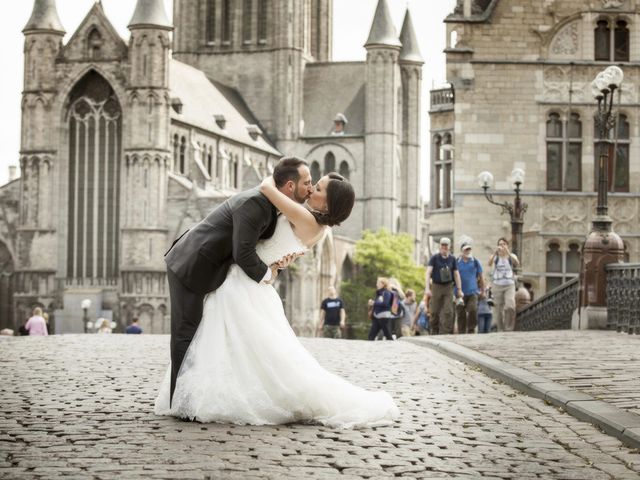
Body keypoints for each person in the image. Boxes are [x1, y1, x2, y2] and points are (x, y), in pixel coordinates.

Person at [155, 160, 398, 427]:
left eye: (316, 187)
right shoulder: (314, 224)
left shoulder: (305, 218)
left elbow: (267, 188)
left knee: (225, 340)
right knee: (239, 345)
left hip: (247, 282)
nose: (310, 189)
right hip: (247, 280)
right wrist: (274, 268)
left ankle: (194, 398)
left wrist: (271, 270)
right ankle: (198, 395)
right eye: (310, 183)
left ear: (327, 204)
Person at [424, 238, 463, 335]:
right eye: (442, 245)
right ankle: (434, 331)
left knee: (448, 311)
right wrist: (427, 288)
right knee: (434, 311)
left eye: (446, 245)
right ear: (440, 246)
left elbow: (456, 274)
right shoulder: (434, 258)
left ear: (449, 247)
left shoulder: (452, 259)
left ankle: (445, 333)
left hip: (448, 287)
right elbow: (428, 273)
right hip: (436, 286)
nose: (444, 247)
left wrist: (459, 289)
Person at [488, 237, 519, 332]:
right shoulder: (496, 258)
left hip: (509, 284)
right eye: (500, 244)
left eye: (504, 244)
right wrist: (495, 252)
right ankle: (500, 330)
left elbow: (516, 263)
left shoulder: (511, 256)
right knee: (498, 309)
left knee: (510, 305)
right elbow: (489, 263)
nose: (502, 246)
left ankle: (509, 328)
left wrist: (507, 252)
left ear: (507, 245)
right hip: (497, 285)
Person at [455, 242, 484, 334]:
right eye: (466, 249)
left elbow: (481, 277)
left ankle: (471, 330)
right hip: (459, 293)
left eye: (469, 249)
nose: (468, 251)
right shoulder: (457, 262)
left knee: (473, 310)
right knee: (461, 314)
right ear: (461, 251)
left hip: (473, 292)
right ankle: (461, 333)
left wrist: (483, 291)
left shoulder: (475, 261)